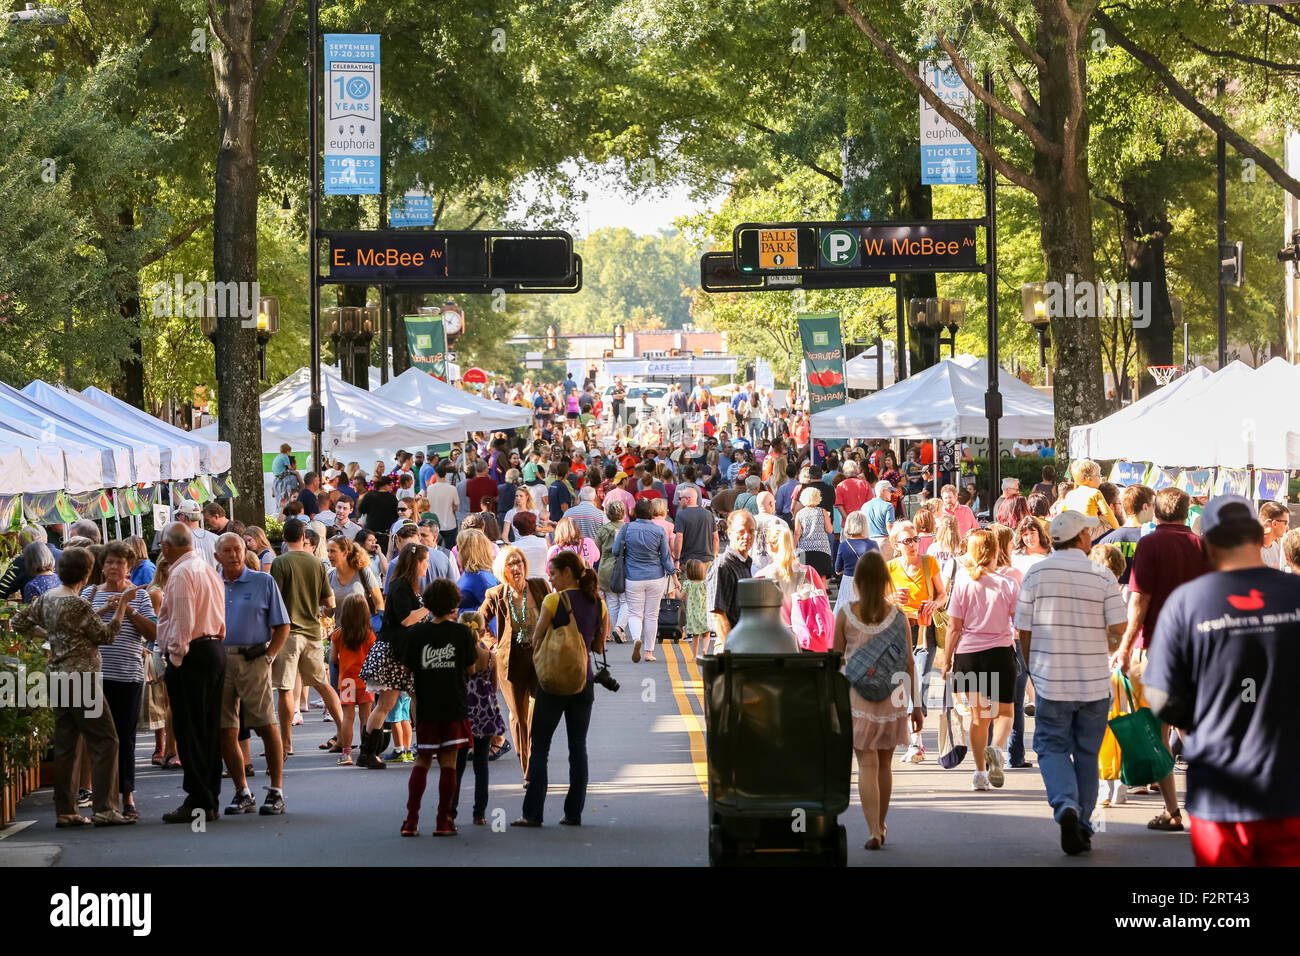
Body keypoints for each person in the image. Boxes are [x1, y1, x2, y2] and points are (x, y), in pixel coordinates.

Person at [1143, 495, 1300, 866]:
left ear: (1208, 543)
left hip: (1220, 789)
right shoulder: (1295, 595)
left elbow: (1161, 695)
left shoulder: (1186, 603)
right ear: (1257, 535)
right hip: (1290, 788)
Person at [1014, 510, 1128, 855]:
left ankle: (1065, 803)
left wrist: (1035, 666)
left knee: (1051, 746)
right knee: (1087, 754)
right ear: (1081, 539)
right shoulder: (1102, 575)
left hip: (1052, 680)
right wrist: (1100, 646)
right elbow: (1118, 629)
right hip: (1094, 682)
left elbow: (1023, 629)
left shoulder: (1036, 574)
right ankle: (1082, 824)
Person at [13, 547, 137, 827]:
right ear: (86, 573)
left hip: (57, 676)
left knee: (67, 745)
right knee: (106, 741)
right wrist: (121, 606)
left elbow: (18, 621)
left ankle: (66, 810)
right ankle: (106, 809)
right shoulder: (78, 604)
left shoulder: (48, 598)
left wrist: (51, 635)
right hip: (82, 679)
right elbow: (107, 635)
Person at [1111, 486, 1208, 829]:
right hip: (1197, 647)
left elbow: (1139, 601)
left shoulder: (1149, 545)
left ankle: (1172, 811)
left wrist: (1124, 646)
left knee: (1159, 725)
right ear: (1185, 512)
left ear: (1158, 511)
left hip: (1156, 646)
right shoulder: (1202, 545)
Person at [512, 551, 607, 827]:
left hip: (552, 683)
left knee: (540, 747)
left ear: (568, 572)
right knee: (578, 748)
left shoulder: (555, 600)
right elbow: (598, 647)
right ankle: (573, 812)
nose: (550, 580)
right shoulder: (597, 603)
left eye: (553, 573)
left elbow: (537, 637)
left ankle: (532, 813)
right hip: (583, 681)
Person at [833, 552, 919, 850]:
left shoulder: (846, 614)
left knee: (866, 764)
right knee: (885, 764)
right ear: (886, 581)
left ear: (856, 582)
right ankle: (881, 825)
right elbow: (909, 663)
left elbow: (835, 660)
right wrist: (916, 706)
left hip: (857, 697)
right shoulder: (899, 617)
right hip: (892, 698)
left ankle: (873, 830)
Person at [399, 579, 490, 836]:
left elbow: (406, 669)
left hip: (427, 705)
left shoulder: (417, 634)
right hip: (454, 704)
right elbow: (471, 668)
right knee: (449, 762)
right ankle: (443, 820)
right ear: (453, 604)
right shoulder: (462, 634)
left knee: (423, 759)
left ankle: (411, 820)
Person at [76, 540, 157, 821]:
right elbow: (79, 630)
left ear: (129, 567)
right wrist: (106, 609)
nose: (114, 567)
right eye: (109, 561)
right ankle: (101, 800)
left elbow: (154, 633)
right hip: (94, 676)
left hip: (128, 675)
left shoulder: (140, 596)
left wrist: (128, 607)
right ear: (102, 565)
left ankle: (128, 798)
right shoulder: (89, 593)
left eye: (120, 563)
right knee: (96, 739)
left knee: (125, 738)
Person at [155, 522, 228, 824]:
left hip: (193, 654)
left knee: (191, 730)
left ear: (168, 547)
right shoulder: (206, 568)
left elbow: (182, 623)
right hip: (211, 650)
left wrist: (175, 658)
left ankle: (199, 799)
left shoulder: (183, 572)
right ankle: (207, 797)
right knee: (207, 728)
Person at [214, 533, 290, 814]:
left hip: (253, 657)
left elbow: (283, 625)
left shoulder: (263, 581)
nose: (234, 554)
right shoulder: (212, 583)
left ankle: (276, 790)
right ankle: (242, 790)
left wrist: (269, 657)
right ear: (217, 556)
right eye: (228, 550)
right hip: (220, 658)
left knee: (265, 724)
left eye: (239, 549)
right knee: (226, 728)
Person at [943, 530, 1019, 791]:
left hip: (969, 655)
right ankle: (996, 749)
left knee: (979, 718)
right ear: (996, 552)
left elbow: (954, 627)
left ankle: (979, 773)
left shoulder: (963, 583)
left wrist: (946, 661)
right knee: (1005, 713)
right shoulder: (1007, 584)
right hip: (999, 652)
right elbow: (1018, 621)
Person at [270, 518, 345, 758]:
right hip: (312, 631)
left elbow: (274, 600)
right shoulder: (316, 563)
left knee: (285, 688)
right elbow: (328, 600)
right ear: (305, 538)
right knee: (322, 684)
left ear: (284, 539)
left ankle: (286, 743)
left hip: (288, 632)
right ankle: (344, 734)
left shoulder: (280, 563)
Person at [479, 546, 549, 775]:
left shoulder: (539, 586)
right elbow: (476, 623)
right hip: (511, 660)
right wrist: (492, 645)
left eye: (519, 562)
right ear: (503, 569)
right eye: (511, 564)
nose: (517, 567)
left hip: (539, 658)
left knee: (538, 713)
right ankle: (527, 769)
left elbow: (555, 616)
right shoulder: (496, 594)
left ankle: (536, 760)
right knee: (519, 718)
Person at [357, 544, 427, 769]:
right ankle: (367, 752)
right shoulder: (400, 586)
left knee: (402, 701)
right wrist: (430, 607)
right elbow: (406, 619)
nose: (427, 565)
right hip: (393, 654)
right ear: (415, 563)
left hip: (402, 653)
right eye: (424, 561)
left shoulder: (407, 586)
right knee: (387, 704)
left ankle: (370, 752)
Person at [886, 521, 947, 764]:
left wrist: (935, 603)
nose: (913, 545)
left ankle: (916, 744)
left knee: (918, 684)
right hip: (899, 631)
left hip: (924, 630)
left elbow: (943, 594)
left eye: (914, 539)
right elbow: (879, 599)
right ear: (896, 545)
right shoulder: (890, 567)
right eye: (907, 541)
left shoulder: (928, 562)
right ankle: (910, 739)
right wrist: (891, 598)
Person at [612, 498, 676, 664]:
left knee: (635, 613)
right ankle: (649, 652)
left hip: (633, 576)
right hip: (655, 577)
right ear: (651, 512)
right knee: (652, 615)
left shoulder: (626, 528)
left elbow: (614, 550)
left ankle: (635, 639)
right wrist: (673, 574)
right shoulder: (659, 530)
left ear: (635, 512)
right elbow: (666, 557)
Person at [757, 526, 832, 651]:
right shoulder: (808, 572)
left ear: (769, 545)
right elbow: (825, 606)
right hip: (806, 641)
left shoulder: (761, 576)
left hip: (773, 641)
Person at [329, 594, 376, 766]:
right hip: (365, 681)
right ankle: (365, 751)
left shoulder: (338, 635)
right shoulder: (370, 636)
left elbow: (333, 659)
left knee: (347, 717)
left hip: (347, 681)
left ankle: (346, 754)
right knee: (366, 718)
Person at [706, 510, 757, 651]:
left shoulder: (744, 563)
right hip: (731, 647)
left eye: (751, 531)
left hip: (746, 644)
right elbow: (717, 614)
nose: (747, 536)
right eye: (741, 532)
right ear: (729, 533)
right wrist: (733, 651)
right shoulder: (723, 566)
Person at [1062, 458, 1119, 533]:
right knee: (1105, 521)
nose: (1100, 479)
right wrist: (1118, 529)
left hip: (1073, 531)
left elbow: (1063, 513)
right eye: (1099, 476)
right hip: (1088, 531)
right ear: (1090, 479)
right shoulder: (1095, 493)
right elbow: (1107, 513)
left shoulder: (1070, 494)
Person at [792, 486, 834, 579]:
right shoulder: (822, 511)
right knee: (821, 577)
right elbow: (829, 530)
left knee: (806, 578)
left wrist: (793, 548)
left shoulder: (800, 513)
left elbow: (797, 533)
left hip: (805, 550)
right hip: (822, 549)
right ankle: (822, 593)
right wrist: (829, 520)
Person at [455, 529, 499, 612]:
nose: (457, 550)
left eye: (458, 547)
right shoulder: (470, 572)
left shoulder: (483, 578)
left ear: (466, 551)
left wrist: (459, 612)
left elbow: (493, 611)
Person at [835, 511, 879, 581]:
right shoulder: (873, 544)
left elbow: (838, 570)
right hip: (868, 581)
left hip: (849, 581)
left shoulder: (843, 545)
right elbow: (877, 567)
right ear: (865, 525)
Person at [683, 558, 710, 658]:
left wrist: (676, 588)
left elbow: (680, 596)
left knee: (695, 636)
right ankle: (705, 650)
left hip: (692, 614)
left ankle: (694, 656)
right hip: (704, 612)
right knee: (706, 635)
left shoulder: (687, 584)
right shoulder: (705, 583)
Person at [862, 481, 896, 559]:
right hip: (883, 543)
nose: (891, 493)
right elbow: (890, 527)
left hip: (868, 543)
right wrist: (895, 543)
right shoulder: (889, 506)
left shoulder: (864, 506)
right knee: (886, 569)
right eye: (890, 491)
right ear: (883, 491)